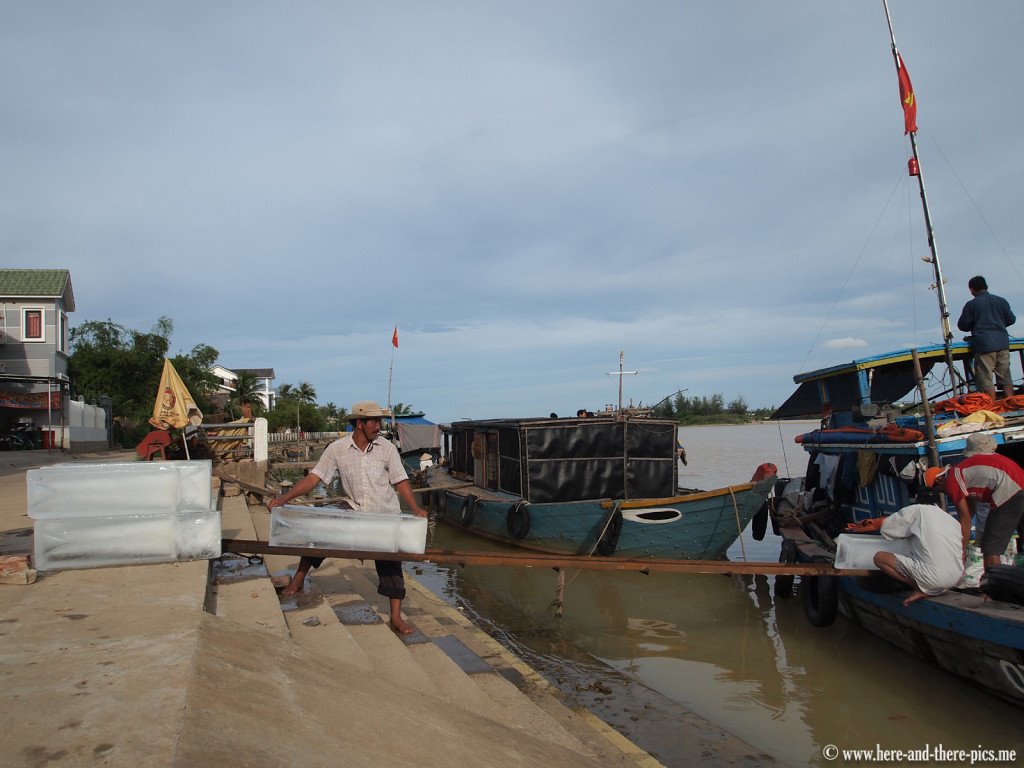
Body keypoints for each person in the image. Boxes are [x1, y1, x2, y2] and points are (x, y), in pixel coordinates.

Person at [267, 400, 428, 634]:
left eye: (379, 421)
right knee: (320, 530)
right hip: (354, 507)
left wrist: (415, 509)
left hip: (384, 512)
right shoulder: (337, 448)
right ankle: (298, 578)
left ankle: (395, 616)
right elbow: (315, 478)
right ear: (359, 424)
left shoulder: (386, 448)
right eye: (374, 422)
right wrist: (284, 498)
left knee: (391, 563)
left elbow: (400, 481)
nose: (378, 426)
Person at [925, 441, 1024, 576]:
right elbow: (970, 513)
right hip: (1016, 483)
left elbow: (965, 520)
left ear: (939, 480)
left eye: (938, 490)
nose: (943, 493)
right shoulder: (963, 475)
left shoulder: (952, 480)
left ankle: (992, 587)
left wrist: (961, 552)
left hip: (1010, 487)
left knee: (990, 548)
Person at [871, 503, 964, 606]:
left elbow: (886, 530)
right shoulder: (949, 519)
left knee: (879, 558)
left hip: (932, 578)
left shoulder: (918, 510)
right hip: (956, 577)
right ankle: (933, 587)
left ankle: (917, 587)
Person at [957, 275, 1016, 401]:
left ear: (971, 290)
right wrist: (998, 324)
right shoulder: (1001, 301)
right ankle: (1011, 401)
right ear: (986, 286)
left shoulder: (971, 305)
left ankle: (991, 406)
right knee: (1005, 373)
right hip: (1002, 342)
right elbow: (1011, 319)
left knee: (985, 375)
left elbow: (963, 325)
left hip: (984, 344)